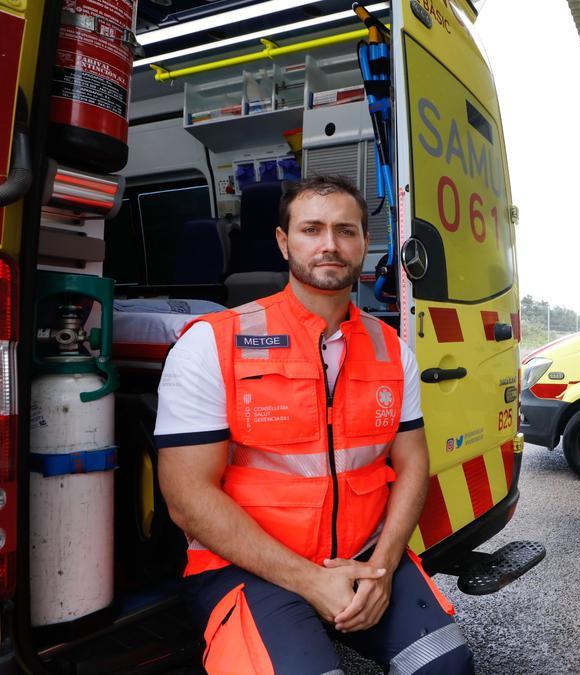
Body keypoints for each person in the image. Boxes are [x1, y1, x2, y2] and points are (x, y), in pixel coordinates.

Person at [155, 174, 474, 674]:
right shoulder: (212, 344)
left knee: (444, 665)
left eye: (346, 231)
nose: (330, 244)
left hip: (365, 555)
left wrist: (383, 568)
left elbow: (412, 464)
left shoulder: (393, 349)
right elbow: (185, 496)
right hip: (249, 568)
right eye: (312, 229)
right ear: (284, 242)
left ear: (366, 244)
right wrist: (310, 581)